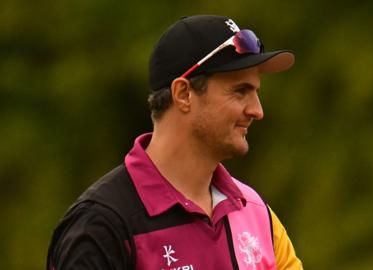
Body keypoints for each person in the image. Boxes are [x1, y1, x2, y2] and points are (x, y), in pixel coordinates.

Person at [47, 14, 302, 270]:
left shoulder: (257, 213)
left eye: (255, 92)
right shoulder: (100, 226)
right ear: (183, 94)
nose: (257, 110)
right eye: (240, 91)